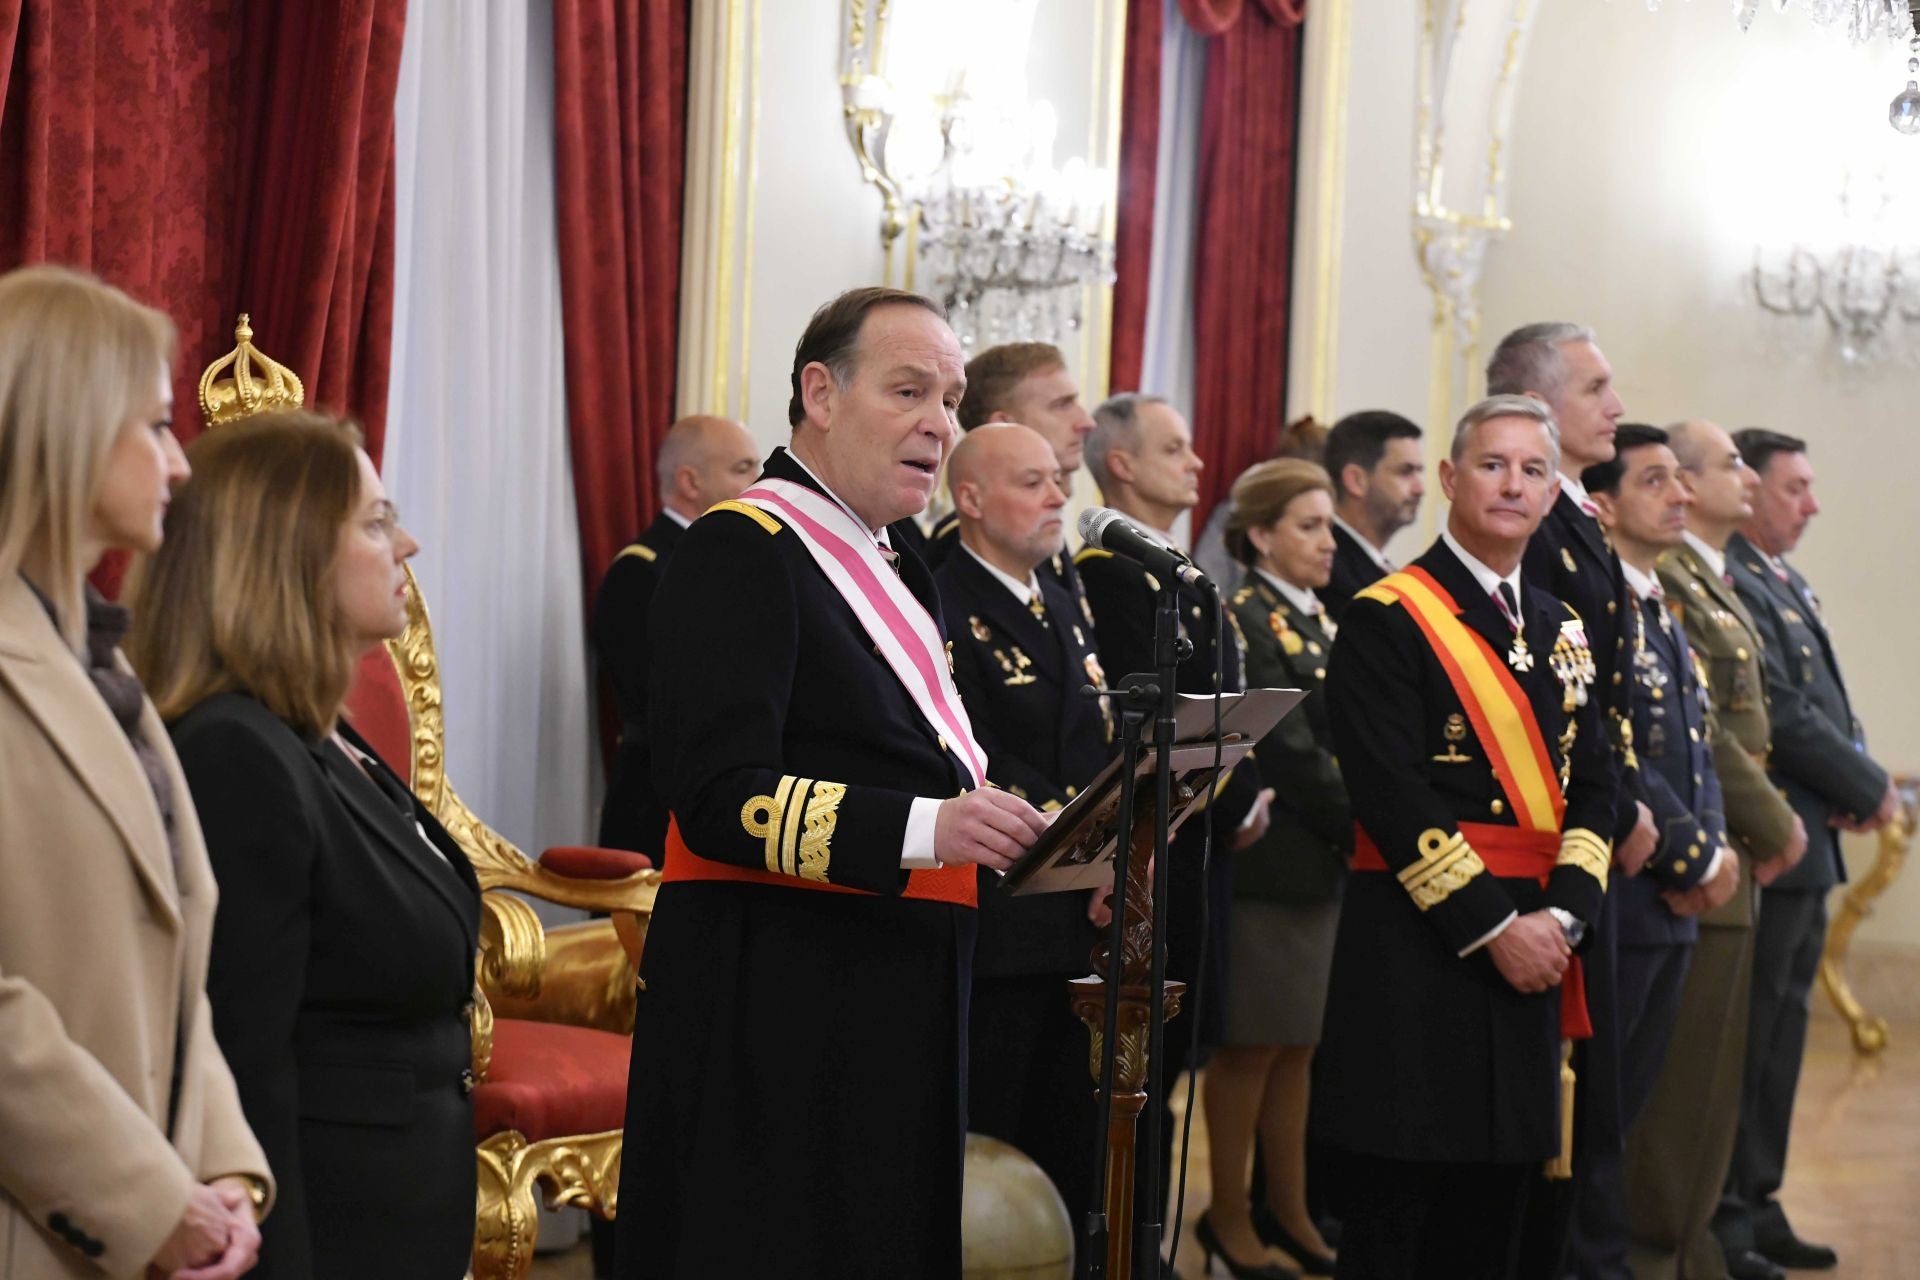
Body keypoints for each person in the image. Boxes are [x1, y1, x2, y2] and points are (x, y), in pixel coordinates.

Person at [615, 287, 1050, 1279]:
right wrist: (928, 827)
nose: (939, 424)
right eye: (908, 391)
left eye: (950, 400)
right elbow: (719, 793)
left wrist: (1058, 842)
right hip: (777, 1001)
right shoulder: (743, 547)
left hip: (900, 988)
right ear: (819, 390)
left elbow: (935, 764)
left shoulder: (906, 569)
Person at [126, 412, 482, 1279]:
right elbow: (246, 1064)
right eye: (373, 520)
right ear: (286, 553)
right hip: (329, 1234)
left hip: (399, 1218)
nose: (408, 543)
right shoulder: (236, 754)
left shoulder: (319, 735)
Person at [0, 263, 267, 1278]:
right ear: (66, 431)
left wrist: (220, 1165)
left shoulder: (102, 660)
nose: (182, 463)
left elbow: (171, 965)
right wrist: (148, 1198)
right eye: (156, 425)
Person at [1315, 395, 1613, 1280]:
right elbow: (1390, 794)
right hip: (1422, 951)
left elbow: (1597, 783)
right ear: (1450, 478)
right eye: (1492, 464)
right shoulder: (1388, 616)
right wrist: (1497, 928)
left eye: (1532, 470)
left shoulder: (1563, 624)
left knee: (1504, 1217)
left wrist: (1564, 921)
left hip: (1542, 949)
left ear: (1555, 490)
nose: (1512, 485)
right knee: (1406, 1218)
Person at [1077, 392, 1273, 1249]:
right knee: (1130, 1075)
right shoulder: (1110, 574)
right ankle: (1121, 1242)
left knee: (1172, 1063)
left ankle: (1147, 1242)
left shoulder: (1179, 573)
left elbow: (1226, 703)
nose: (1199, 465)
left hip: (1199, 846)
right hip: (1147, 852)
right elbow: (1143, 718)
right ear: (1120, 463)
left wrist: (1242, 786)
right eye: (1176, 448)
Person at [1488, 323, 1658, 1274]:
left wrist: (1624, 802)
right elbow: (1560, 701)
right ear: (1541, 405)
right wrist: (1621, 804)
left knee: (1600, 1091)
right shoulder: (1537, 530)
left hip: (1601, 828)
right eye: (1598, 386)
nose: (1617, 406)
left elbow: (1609, 686)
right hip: (1560, 837)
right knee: (1563, 1098)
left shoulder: (1577, 520)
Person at [1713, 429, 1895, 1275]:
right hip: (1770, 840)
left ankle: (1760, 1196)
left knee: (1783, 1039)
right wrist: (1868, 787)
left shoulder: (1782, 579)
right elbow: (1779, 712)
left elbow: (1828, 705)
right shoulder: (1733, 579)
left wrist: (1854, 785)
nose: (1812, 504)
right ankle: (1729, 1215)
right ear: (1748, 491)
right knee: (1750, 1042)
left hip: (1806, 837)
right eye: (1797, 488)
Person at [1629, 419, 1805, 1280]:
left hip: (1723, 843)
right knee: (1679, 1088)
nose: (1738, 475)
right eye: (1728, 462)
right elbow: (1694, 730)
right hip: (1700, 849)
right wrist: (1770, 821)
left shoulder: (1702, 581)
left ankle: (1690, 1245)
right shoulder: (1670, 583)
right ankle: (1660, 1247)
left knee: (1714, 1082)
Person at [933, 423, 1112, 1231]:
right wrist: (1092, 830)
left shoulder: (1062, 601)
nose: (1058, 497)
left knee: (1069, 1136)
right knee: (990, 1140)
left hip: (1075, 911)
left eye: (1057, 480)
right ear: (968, 499)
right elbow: (970, 750)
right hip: (998, 914)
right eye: (1032, 482)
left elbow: (1095, 736)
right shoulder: (941, 598)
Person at [1573, 425, 1740, 1279]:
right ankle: (1590, 1264)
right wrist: (1688, 857)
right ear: (1602, 506)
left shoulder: (1659, 607)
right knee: (1597, 1114)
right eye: (1656, 480)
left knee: (1630, 1107)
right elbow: (1614, 743)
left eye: (1683, 479)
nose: (1680, 494)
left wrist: (1708, 851)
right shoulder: (1600, 614)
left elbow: (1696, 746)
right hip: (1630, 890)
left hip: (1672, 895)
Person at [1204, 459, 1353, 1279]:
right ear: (1259, 535)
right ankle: (1228, 1216)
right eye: (1308, 525)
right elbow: (1289, 751)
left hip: (1319, 865)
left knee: (1298, 1046)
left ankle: (1288, 1208)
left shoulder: (1318, 619)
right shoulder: (1246, 617)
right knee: (1252, 1049)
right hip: (1275, 865)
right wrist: (1371, 825)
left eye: (1329, 524)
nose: (1328, 542)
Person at [591, 414, 759, 862]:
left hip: (719, 794)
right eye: (743, 469)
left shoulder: (728, 563)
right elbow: (660, 699)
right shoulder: (642, 570)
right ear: (690, 481)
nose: (759, 481)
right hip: (658, 800)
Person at [922, 341, 1099, 627]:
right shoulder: (968, 538)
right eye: (1061, 405)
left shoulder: (1038, 527)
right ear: (1004, 423)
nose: (1086, 422)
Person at [1321, 411, 1425, 621]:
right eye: (1405, 472)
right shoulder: (1328, 570)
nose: (1419, 488)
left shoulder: (1377, 567)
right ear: (1356, 481)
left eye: (1418, 472)